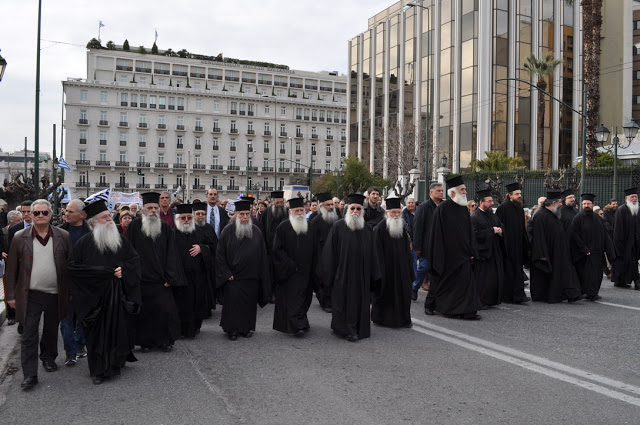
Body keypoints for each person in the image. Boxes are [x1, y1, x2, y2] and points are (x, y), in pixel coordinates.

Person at [67, 200, 142, 385]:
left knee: (118, 330)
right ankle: (98, 371)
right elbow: (73, 269)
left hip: (117, 297)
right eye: (104, 217)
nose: (109, 220)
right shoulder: (83, 244)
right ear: (93, 222)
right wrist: (99, 274)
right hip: (93, 300)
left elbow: (134, 260)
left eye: (109, 216)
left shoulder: (120, 240)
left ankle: (116, 362)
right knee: (96, 336)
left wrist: (123, 269)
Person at [5, 199, 72, 391]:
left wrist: (70, 292)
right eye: (36, 213)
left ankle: (49, 358)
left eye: (44, 212)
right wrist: (10, 296)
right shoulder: (19, 237)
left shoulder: (63, 236)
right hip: (30, 295)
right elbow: (11, 271)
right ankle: (30, 375)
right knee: (29, 335)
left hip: (55, 293)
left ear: (51, 215)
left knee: (51, 330)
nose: (40, 216)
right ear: (31, 215)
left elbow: (70, 266)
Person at [125, 192, 183, 352]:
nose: (152, 210)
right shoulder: (134, 227)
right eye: (149, 207)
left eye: (155, 208)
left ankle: (165, 341)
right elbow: (127, 252)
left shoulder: (165, 228)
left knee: (164, 312)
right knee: (145, 314)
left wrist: (170, 277)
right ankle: (145, 342)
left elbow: (172, 254)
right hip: (141, 280)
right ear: (143, 209)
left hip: (161, 280)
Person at [322, 194, 381, 341]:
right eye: (353, 208)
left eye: (358, 209)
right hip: (343, 275)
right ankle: (344, 329)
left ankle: (357, 328)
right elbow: (330, 252)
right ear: (348, 209)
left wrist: (374, 275)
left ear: (362, 211)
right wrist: (330, 275)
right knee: (343, 303)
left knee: (360, 303)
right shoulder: (338, 227)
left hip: (361, 276)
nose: (355, 211)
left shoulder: (367, 229)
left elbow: (373, 254)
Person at [425, 176, 482, 320]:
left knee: (465, 284)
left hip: (463, 255)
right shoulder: (443, 209)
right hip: (447, 255)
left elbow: (469, 231)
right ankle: (430, 305)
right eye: (462, 189)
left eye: (464, 189)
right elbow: (437, 234)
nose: (465, 192)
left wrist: (472, 250)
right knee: (440, 281)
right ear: (452, 193)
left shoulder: (463, 209)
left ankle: (466, 310)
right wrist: (439, 255)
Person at [216, 200, 271, 340]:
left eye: (247, 214)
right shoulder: (227, 231)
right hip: (233, 277)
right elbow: (220, 255)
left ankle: (246, 328)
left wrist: (261, 274)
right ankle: (232, 330)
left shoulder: (256, 231)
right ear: (235, 215)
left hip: (251, 277)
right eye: (242, 214)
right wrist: (226, 273)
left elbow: (262, 255)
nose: (245, 217)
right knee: (233, 305)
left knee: (249, 305)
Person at [272, 197, 318, 336]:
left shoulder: (310, 226)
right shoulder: (283, 227)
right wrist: (289, 264)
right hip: (290, 272)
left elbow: (315, 248)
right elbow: (277, 250)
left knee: (304, 298)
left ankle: (302, 321)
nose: (299, 213)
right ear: (290, 212)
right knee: (292, 299)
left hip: (306, 271)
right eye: (296, 210)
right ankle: (296, 326)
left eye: (301, 210)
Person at [529, 190, 582, 303]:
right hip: (547, 253)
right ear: (553, 203)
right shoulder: (540, 215)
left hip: (558, 252)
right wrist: (542, 254)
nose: (561, 205)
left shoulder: (553, 214)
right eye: (559, 203)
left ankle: (568, 294)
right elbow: (538, 237)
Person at [173, 204, 216, 337]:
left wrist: (202, 248)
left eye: (189, 217)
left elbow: (213, 246)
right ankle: (179, 330)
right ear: (178, 219)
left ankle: (194, 329)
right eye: (183, 218)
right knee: (180, 305)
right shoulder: (171, 233)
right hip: (179, 277)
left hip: (197, 277)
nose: (186, 220)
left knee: (195, 303)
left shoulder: (200, 231)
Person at [58, 199, 91, 366]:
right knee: (65, 319)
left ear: (82, 214)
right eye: (66, 211)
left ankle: (80, 345)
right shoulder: (59, 232)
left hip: (85, 283)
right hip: (64, 282)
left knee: (83, 318)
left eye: (70, 211)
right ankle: (70, 352)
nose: (66, 214)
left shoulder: (91, 231)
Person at [371, 197, 414, 328]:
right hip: (386, 270)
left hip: (402, 269)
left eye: (398, 212)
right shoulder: (379, 229)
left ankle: (404, 319)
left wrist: (409, 268)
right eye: (393, 212)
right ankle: (384, 319)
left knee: (404, 294)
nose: (396, 215)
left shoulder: (402, 228)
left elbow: (407, 250)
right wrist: (379, 273)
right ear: (386, 213)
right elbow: (376, 253)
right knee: (386, 294)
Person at [570, 193, 616, 301]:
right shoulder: (577, 218)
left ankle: (593, 293)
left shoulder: (597, 218)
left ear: (592, 204)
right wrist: (584, 249)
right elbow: (574, 235)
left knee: (596, 274)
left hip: (597, 252)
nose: (586, 205)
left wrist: (609, 251)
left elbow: (604, 235)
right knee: (584, 274)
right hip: (583, 253)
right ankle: (584, 291)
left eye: (588, 203)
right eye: (584, 203)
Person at [495, 182, 530, 304]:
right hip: (507, 246)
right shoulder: (502, 208)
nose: (519, 196)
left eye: (520, 193)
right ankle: (508, 296)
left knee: (518, 270)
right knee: (509, 271)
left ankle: (519, 294)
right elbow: (499, 226)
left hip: (518, 245)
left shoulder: (520, 208)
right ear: (510, 195)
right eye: (517, 194)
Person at [470, 188, 504, 307]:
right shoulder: (475, 217)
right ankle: (481, 301)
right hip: (483, 253)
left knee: (494, 278)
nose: (492, 203)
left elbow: (500, 226)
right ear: (481, 202)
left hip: (494, 252)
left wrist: (500, 231)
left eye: (492, 201)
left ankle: (492, 300)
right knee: (483, 280)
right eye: (489, 201)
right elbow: (474, 235)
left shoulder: (493, 216)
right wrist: (491, 231)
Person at [412, 183, 444, 301]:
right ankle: (415, 287)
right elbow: (418, 227)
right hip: (427, 245)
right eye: (438, 191)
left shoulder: (443, 206)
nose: (441, 192)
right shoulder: (423, 207)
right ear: (431, 192)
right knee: (424, 268)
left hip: (440, 245)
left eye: (442, 190)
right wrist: (417, 246)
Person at [309, 192, 338, 312]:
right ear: (321, 206)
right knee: (324, 279)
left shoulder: (337, 218)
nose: (331, 207)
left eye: (332, 204)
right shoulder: (315, 221)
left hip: (335, 253)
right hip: (321, 254)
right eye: (328, 205)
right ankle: (325, 303)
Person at [611, 188, 640, 289]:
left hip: (636, 242)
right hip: (625, 243)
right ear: (627, 198)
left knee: (633, 262)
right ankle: (636, 281)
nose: (634, 198)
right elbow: (618, 229)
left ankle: (626, 281)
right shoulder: (621, 210)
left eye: (636, 197)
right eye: (632, 197)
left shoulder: (638, 209)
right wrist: (619, 245)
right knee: (628, 263)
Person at [2, 210, 22, 326]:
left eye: (20, 220)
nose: (20, 222)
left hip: (20, 265)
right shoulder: (4, 231)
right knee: (9, 290)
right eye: (17, 221)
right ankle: (11, 315)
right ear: (10, 222)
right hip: (8, 264)